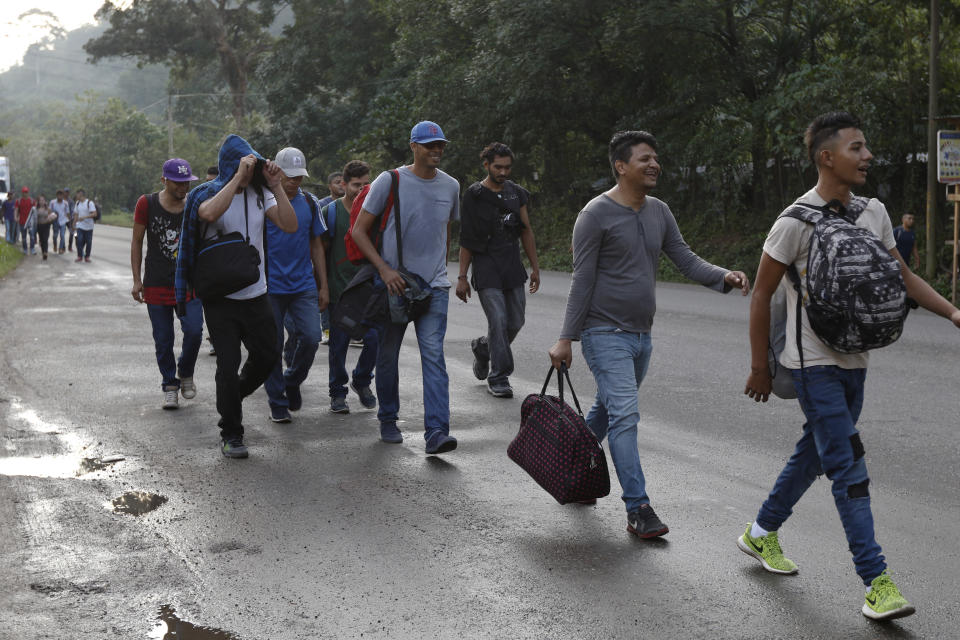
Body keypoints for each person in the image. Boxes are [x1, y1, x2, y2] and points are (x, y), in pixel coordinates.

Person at [742, 111, 960, 620]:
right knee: (848, 467)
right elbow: (761, 295)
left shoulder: (873, 212)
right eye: (857, 148)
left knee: (814, 455)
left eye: (866, 148)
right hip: (811, 363)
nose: (867, 156)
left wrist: (951, 311)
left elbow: (902, 275)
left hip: (856, 360)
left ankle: (759, 533)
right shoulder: (794, 221)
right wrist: (760, 365)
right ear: (827, 156)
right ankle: (877, 582)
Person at [548, 130, 750, 538]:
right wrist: (566, 337)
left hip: (641, 336)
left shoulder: (659, 210)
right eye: (644, 159)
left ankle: (573, 471)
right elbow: (581, 280)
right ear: (621, 166)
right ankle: (638, 508)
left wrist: (723, 276)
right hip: (603, 332)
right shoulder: (594, 215)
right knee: (625, 415)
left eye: (656, 158)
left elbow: (685, 258)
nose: (654, 164)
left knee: (607, 410)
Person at [175, 134, 298, 459]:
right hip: (220, 299)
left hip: (256, 294)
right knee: (227, 365)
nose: (253, 171)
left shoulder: (262, 193)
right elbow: (208, 214)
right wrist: (236, 180)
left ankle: (232, 396)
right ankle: (232, 434)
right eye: (248, 165)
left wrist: (274, 186)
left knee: (269, 355)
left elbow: (289, 224)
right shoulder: (207, 192)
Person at [352, 120, 460, 454]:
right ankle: (388, 418)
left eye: (440, 145)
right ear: (413, 146)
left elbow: (445, 231)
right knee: (388, 354)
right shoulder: (391, 180)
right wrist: (384, 270)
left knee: (433, 356)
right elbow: (358, 231)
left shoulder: (451, 186)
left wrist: (442, 269)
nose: (436, 150)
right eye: (429, 145)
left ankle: (437, 432)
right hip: (395, 284)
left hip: (435, 287)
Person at [457, 142, 540, 398]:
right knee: (498, 320)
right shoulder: (474, 195)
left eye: (507, 167)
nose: (503, 172)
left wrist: (535, 267)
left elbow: (526, 231)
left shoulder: (518, 193)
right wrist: (462, 277)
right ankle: (499, 376)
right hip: (486, 266)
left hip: (511, 265)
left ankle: (484, 348)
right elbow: (467, 237)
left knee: (515, 321)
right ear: (486, 165)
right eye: (498, 167)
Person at [262, 147, 330, 423]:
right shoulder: (264, 202)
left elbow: (317, 245)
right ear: (276, 173)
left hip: (303, 284)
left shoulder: (311, 203)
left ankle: (292, 379)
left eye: (299, 176)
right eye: (289, 176)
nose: (295, 181)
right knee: (272, 344)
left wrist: (323, 285)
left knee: (313, 337)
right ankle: (277, 402)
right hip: (270, 287)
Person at [131, 158, 204, 410]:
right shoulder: (147, 203)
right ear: (164, 180)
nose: (183, 187)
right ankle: (169, 385)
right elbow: (136, 242)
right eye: (178, 182)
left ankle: (185, 371)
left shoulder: (194, 204)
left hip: (189, 284)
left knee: (194, 331)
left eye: (187, 182)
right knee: (163, 339)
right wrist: (137, 280)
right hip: (156, 283)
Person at [323, 160, 379, 414]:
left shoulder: (374, 211)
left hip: (368, 291)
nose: (362, 189)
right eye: (357, 184)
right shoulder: (331, 212)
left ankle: (362, 380)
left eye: (367, 183)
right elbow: (320, 253)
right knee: (338, 346)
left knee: (375, 340)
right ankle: (337, 393)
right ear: (343, 185)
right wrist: (322, 288)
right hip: (339, 292)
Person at [316, 171, 345, 344]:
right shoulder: (322, 205)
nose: (341, 185)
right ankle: (326, 329)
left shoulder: (355, 204)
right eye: (337, 182)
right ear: (329, 186)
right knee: (327, 292)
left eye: (343, 182)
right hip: (326, 256)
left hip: (344, 257)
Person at [73, 189, 97, 262]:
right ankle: (80, 256)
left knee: (88, 242)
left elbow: (94, 214)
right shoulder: (77, 203)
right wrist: (74, 224)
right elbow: (76, 214)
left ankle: (87, 256)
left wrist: (85, 217)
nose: (76, 196)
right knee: (79, 240)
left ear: (81, 194)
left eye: (77, 194)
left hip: (89, 226)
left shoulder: (89, 203)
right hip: (80, 226)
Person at [34, 196, 56, 260]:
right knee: (41, 240)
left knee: (45, 239)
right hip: (39, 225)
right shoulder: (36, 209)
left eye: (43, 200)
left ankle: (45, 252)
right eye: (40, 200)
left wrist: (51, 219)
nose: (41, 202)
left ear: (45, 201)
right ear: (38, 201)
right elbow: (34, 218)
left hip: (46, 225)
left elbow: (52, 216)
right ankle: (43, 251)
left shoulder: (48, 209)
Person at [14, 187, 34, 254]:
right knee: (24, 236)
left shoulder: (31, 200)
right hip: (22, 221)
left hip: (30, 221)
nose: (25, 193)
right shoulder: (18, 201)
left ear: (28, 192)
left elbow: (34, 210)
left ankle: (32, 248)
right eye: (24, 192)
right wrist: (15, 217)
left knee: (32, 236)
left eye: (26, 192)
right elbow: (16, 209)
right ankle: (25, 249)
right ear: (22, 193)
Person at [51, 190, 71, 254]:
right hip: (55, 221)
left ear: (63, 195)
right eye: (58, 195)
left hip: (63, 221)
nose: (60, 196)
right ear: (56, 195)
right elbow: (49, 211)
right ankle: (55, 245)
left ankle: (60, 248)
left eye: (61, 195)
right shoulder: (52, 202)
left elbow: (67, 212)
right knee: (55, 235)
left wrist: (70, 220)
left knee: (62, 235)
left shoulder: (65, 203)